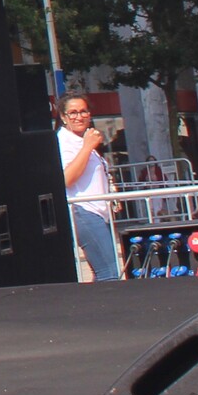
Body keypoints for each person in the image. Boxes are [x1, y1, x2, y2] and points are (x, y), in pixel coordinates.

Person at [58, 93, 122, 282]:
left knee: (102, 272)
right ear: (63, 117)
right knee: (109, 273)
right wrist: (87, 147)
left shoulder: (83, 139)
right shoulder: (65, 142)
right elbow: (66, 179)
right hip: (84, 211)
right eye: (73, 113)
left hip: (100, 212)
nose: (79, 117)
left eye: (84, 111)